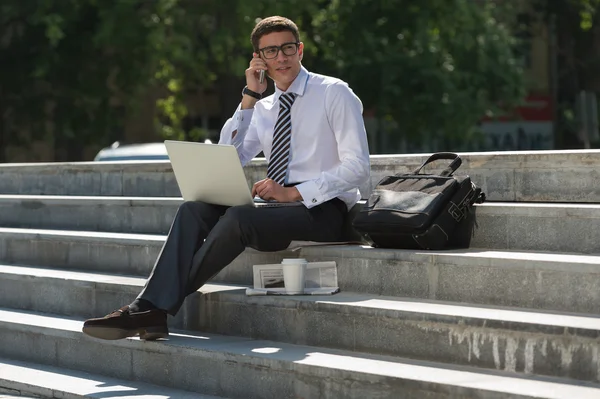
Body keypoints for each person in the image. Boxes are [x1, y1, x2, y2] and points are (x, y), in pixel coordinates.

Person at [82, 16, 371, 341]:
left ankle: (150, 307)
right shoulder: (262, 109)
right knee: (194, 208)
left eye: (288, 48)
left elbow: (358, 167)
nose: (281, 58)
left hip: (324, 213)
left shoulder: (334, 93)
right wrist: (249, 96)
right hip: (277, 214)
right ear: (259, 61)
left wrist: (294, 193)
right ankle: (151, 310)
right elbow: (228, 156)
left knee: (237, 218)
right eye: (271, 52)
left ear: (300, 50)